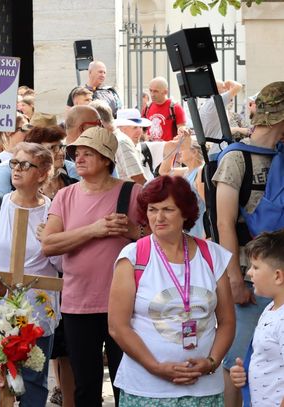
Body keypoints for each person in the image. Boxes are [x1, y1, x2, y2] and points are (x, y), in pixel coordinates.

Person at [108, 175, 235, 406]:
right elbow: (118, 327)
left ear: (185, 212)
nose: (159, 217)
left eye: (168, 209)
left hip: (204, 388)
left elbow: (226, 321)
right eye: (152, 209)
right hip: (146, 388)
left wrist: (212, 362)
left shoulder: (212, 255)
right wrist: (155, 367)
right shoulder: (133, 256)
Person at [41, 127, 144, 406]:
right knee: (85, 387)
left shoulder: (132, 192)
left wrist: (134, 231)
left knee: (128, 386)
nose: (79, 158)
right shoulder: (65, 196)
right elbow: (48, 244)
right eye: (77, 153)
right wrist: (94, 230)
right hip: (78, 304)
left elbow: (157, 241)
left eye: (88, 153)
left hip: (125, 305)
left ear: (107, 159)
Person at [211, 81, 284, 407]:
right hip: (247, 274)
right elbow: (223, 222)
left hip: (278, 275)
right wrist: (234, 280)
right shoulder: (236, 158)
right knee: (238, 360)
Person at [0, 142, 60, 407]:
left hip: (38, 308)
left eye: (25, 165)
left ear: (43, 173)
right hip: (0, 307)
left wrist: (50, 240)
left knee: (34, 380)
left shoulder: (53, 212)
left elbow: (62, 261)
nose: (16, 169)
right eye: (14, 163)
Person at [229, 229, 284, 407]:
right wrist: (244, 373)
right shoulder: (270, 308)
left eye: (256, 267)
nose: (250, 273)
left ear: (278, 276)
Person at [159, 134, 206, 238]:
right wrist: (171, 149)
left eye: (183, 148)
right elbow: (164, 171)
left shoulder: (201, 171)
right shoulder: (188, 171)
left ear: (194, 152)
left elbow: (210, 207)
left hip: (200, 233)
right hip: (190, 232)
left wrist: (206, 235)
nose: (179, 151)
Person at [199, 80, 243, 160]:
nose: (227, 90)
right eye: (224, 87)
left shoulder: (207, 104)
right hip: (218, 151)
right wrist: (230, 82)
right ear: (216, 89)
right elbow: (238, 86)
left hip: (213, 151)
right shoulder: (215, 101)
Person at [114, 108, 152, 185]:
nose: (140, 131)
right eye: (135, 127)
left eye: (140, 127)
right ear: (122, 129)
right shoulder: (122, 142)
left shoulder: (121, 140)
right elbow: (139, 178)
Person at [143, 76, 187, 141]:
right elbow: (142, 129)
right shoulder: (148, 107)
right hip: (151, 148)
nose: (152, 94)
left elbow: (182, 132)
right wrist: (145, 136)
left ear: (165, 92)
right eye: (150, 90)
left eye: (156, 91)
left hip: (169, 149)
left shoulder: (175, 107)